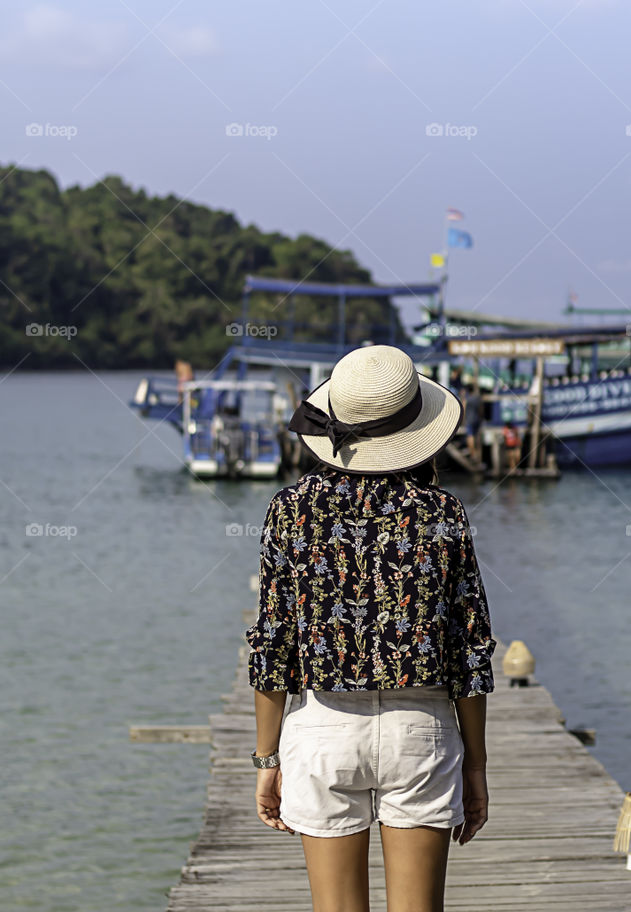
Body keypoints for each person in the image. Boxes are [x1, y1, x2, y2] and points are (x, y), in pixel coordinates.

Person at [246, 344, 496, 912]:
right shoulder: (443, 514)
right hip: (422, 728)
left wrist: (268, 760)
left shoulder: (289, 510)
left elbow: (273, 648)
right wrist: (476, 767)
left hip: (323, 729)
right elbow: (470, 652)